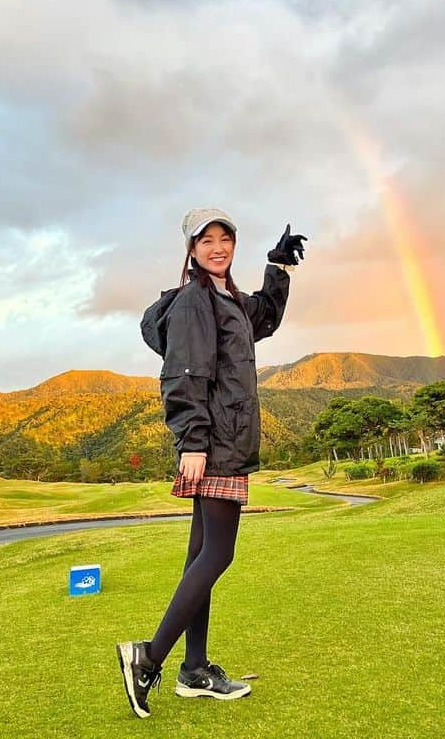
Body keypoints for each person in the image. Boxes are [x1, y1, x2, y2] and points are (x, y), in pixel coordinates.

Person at [116, 208, 307, 719]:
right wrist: (193, 444)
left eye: (226, 238)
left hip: (223, 439)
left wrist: (279, 267)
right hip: (215, 444)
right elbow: (184, 375)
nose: (218, 246)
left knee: (200, 554)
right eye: (207, 240)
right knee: (218, 554)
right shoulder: (196, 302)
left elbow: (261, 318)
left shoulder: (227, 299)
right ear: (191, 249)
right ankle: (148, 659)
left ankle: (193, 669)